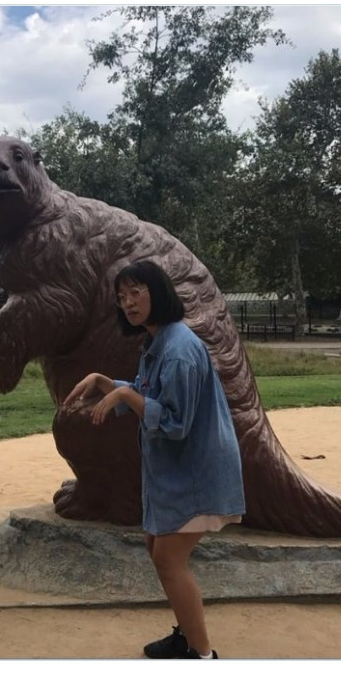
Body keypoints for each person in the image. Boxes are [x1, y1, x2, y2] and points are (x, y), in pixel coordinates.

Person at [64, 261, 245, 659]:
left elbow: (176, 423)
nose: (128, 303)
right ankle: (187, 636)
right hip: (178, 469)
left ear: (158, 292)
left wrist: (127, 396)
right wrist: (105, 383)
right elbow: (149, 391)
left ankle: (202, 655)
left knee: (168, 557)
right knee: (156, 547)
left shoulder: (179, 350)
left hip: (198, 470)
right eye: (122, 296)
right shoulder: (159, 342)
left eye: (136, 292)